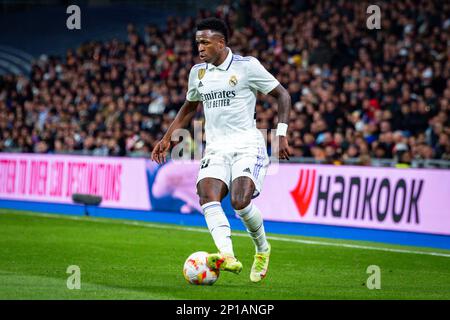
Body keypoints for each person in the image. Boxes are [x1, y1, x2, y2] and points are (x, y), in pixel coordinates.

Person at [151, 17, 291, 282]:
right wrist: (168, 137)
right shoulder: (198, 73)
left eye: (205, 42)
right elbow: (189, 106)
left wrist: (281, 135)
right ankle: (226, 255)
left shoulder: (247, 66)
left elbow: (282, 95)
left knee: (240, 202)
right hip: (215, 148)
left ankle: (262, 248)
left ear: (221, 42)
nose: (200, 48)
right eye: (197, 43)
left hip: (247, 144)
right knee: (207, 196)